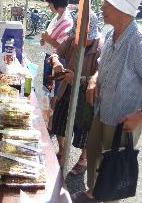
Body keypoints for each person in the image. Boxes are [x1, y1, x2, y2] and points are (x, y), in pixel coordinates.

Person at [72, 0, 142, 202]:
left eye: (107, 3)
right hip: (102, 111)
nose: (102, 7)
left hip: (124, 121)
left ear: (123, 8)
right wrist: (95, 79)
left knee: (114, 167)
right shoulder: (109, 34)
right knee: (95, 155)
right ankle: (93, 193)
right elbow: (101, 66)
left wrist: (141, 115)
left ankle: (106, 197)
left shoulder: (141, 42)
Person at [49, 12, 102, 167]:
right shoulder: (72, 40)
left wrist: (78, 79)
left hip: (85, 96)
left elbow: (101, 78)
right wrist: (56, 62)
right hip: (66, 90)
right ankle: (62, 150)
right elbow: (55, 53)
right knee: (59, 123)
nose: (78, 41)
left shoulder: (100, 48)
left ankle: (83, 159)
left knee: (83, 130)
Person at [40, 0, 73, 94]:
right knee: (48, 87)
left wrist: (47, 39)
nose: (49, 6)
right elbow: (51, 35)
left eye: (49, 4)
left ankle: (51, 108)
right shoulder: (58, 16)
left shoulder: (67, 22)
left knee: (55, 90)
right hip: (49, 55)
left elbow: (62, 47)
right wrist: (44, 40)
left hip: (58, 60)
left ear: (55, 3)